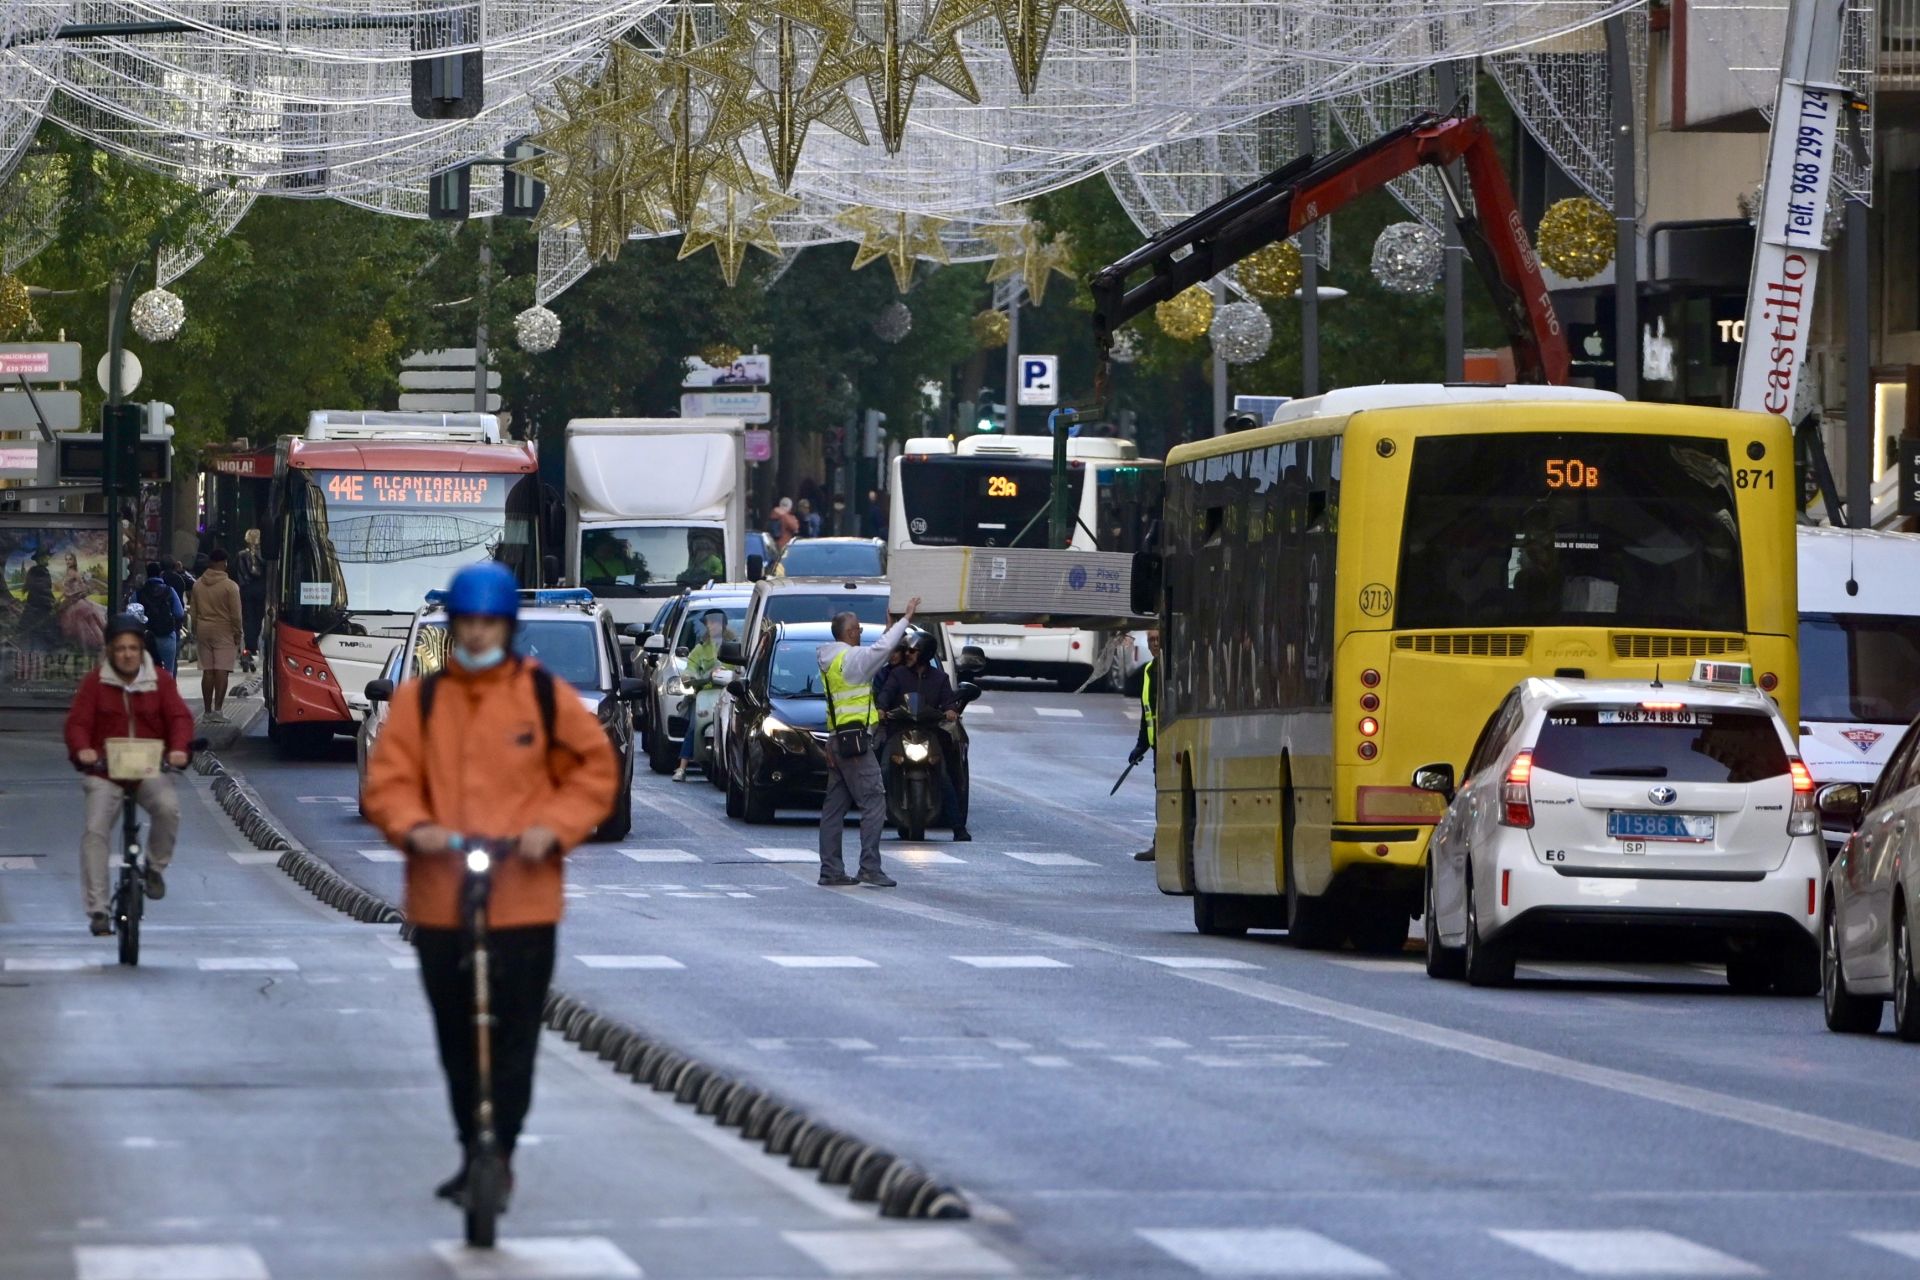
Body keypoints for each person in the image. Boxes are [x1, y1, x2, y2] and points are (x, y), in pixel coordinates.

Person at [363, 562, 619, 1209]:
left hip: (524, 900)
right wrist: (414, 828)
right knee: (455, 1036)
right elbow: (387, 783)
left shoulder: (540, 696)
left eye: (489, 624)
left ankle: (498, 1148)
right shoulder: (421, 701)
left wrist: (550, 831)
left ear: (505, 628)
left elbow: (593, 770)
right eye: (467, 624)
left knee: (516, 1037)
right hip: (440, 898)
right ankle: (467, 1142)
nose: (477, 635)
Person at [63, 615, 194, 935]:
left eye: (133, 648)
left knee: (168, 808)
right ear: (109, 651)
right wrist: (83, 750)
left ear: (141, 650)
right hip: (105, 772)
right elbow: (77, 724)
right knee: (95, 832)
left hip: (149, 769)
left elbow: (179, 718)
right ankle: (98, 910)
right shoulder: (95, 683)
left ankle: (153, 868)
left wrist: (178, 749)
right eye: (120, 648)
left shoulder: (160, 681)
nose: (127, 654)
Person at [816, 597, 919, 887]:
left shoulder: (833, 660)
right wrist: (905, 619)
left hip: (838, 740)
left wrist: (889, 628)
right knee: (874, 801)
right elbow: (880, 651)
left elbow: (875, 655)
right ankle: (869, 867)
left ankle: (830, 870)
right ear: (849, 633)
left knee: (834, 809)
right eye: (858, 628)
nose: (861, 632)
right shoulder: (851, 661)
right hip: (856, 744)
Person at [876, 629, 970, 841]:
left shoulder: (940, 678)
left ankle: (958, 827)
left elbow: (948, 701)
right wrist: (881, 709)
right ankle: (872, 820)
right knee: (882, 771)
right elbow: (885, 694)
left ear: (925, 654)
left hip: (928, 732)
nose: (907, 654)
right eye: (907, 650)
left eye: (912, 651)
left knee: (944, 776)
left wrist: (951, 710)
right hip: (898, 731)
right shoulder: (897, 674)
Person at [673, 609, 735, 782]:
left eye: (716, 622)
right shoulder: (700, 649)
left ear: (724, 624)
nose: (713, 625)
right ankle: (682, 767)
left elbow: (742, 667)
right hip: (705, 694)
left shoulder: (734, 645)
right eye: (710, 622)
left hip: (728, 693)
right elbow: (690, 668)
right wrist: (689, 677)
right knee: (694, 726)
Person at [190, 549, 245, 722]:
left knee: (208, 671)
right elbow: (236, 614)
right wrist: (238, 633)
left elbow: (193, 611)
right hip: (224, 630)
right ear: (222, 563)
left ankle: (206, 712)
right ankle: (218, 711)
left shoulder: (198, 584)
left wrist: (195, 630)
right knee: (222, 670)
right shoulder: (230, 586)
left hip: (203, 629)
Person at [1130, 630, 1160, 861]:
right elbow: (1147, 713)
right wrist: (1142, 745)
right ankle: (1160, 843)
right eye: (1151, 639)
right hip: (1160, 746)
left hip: (1176, 742)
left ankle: (1162, 844)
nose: (1155, 643)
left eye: (1159, 639)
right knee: (1164, 796)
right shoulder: (1150, 670)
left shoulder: (1177, 666)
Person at [135, 561, 186, 676]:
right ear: (161, 574)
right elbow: (179, 613)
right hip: (167, 634)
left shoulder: (139, 593)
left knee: (146, 670)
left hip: (146, 636)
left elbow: (133, 614)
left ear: (147, 574)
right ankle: (166, 691)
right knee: (168, 670)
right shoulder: (169, 591)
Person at [236, 528, 267, 672]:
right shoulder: (265, 556)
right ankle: (252, 648)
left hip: (246, 590)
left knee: (247, 619)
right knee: (257, 619)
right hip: (260, 590)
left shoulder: (241, 555)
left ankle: (248, 648)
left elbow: (238, 574)